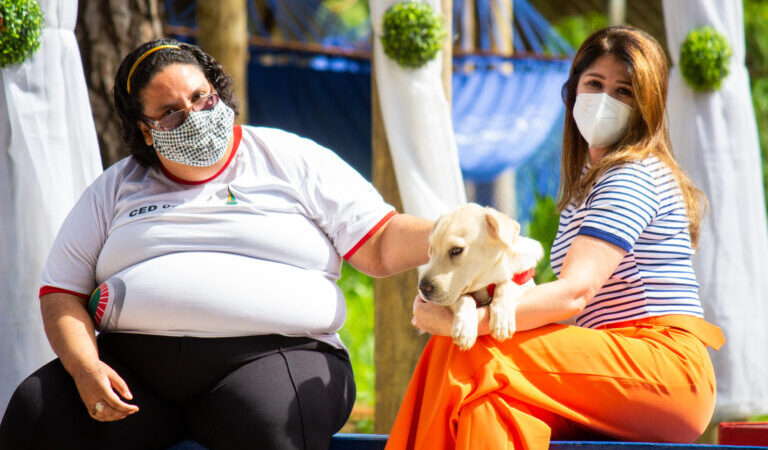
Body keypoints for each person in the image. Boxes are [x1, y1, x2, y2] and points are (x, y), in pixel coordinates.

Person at [0, 38, 432, 450]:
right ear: (145, 130)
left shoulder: (292, 158)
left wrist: (459, 235)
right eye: (169, 112)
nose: (194, 115)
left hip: (276, 355)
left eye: (201, 97)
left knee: (269, 425)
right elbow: (61, 293)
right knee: (36, 412)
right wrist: (85, 368)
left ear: (218, 91)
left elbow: (379, 242)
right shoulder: (114, 188)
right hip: (136, 374)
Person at [386, 26, 725, 450]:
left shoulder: (632, 176)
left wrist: (472, 319)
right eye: (595, 84)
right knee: (490, 405)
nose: (605, 99)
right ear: (574, 91)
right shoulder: (589, 185)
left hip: (663, 367)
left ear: (646, 107)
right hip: (612, 366)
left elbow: (574, 294)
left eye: (624, 91)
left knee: (465, 349)